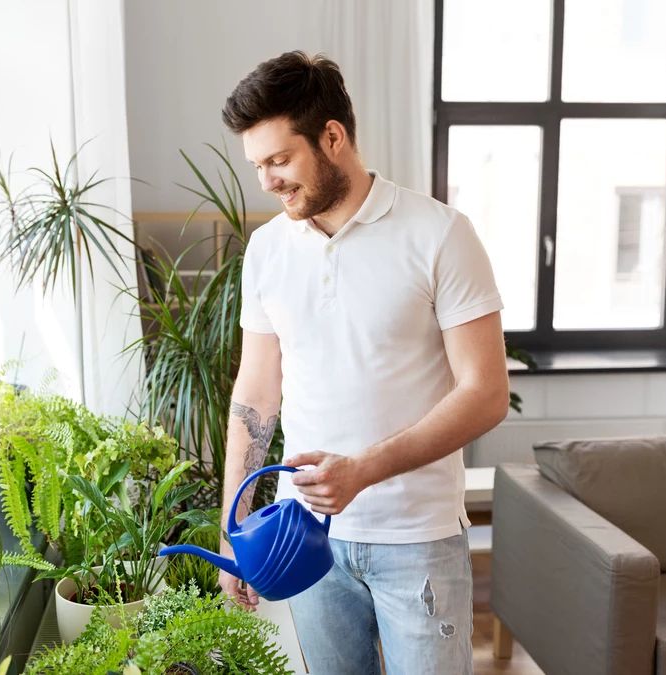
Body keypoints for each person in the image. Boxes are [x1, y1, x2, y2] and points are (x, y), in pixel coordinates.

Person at [216, 50, 509, 675]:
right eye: (257, 165)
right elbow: (257, 391)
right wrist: (231, 529)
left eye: (279, 159)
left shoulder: (439, 235)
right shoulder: (267, 250)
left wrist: (366, 469)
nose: (266, 181)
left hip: (419, 539)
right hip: (308, 541)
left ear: (332, 137)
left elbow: (485, 392)